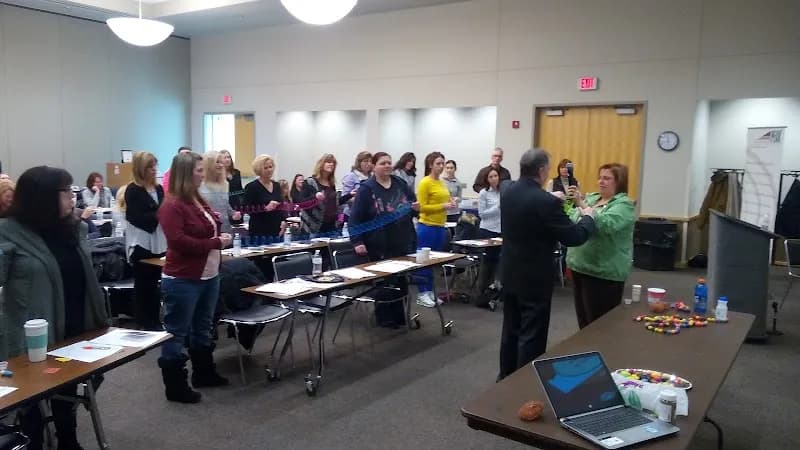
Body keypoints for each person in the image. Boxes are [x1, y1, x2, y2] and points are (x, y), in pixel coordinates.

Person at [0, 166, 109, 450]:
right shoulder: (8, 232)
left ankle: (68, 439)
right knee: (32, 397)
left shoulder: (72, 229)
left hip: (74, 325)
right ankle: (32, 441)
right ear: (44, 197)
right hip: (31, 332)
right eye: (67, 192)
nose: (73, 198)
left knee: (67, 389)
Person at [498, 149, 596, 381]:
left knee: (510, 330)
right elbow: (574, 237)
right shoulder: (545, 201)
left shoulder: (508, 192)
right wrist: (588, 217)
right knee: (532, 333)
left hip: (510, 271)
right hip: (534, 277)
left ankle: (505, 378)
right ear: (542, 171)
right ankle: (524, 383)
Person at [158, 152, 232, 403]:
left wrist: (218, 235)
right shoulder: (172, 205)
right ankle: (175, 385)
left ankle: (204, 372)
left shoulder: (196, 199)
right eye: (199, 170)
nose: (203, 173)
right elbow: (179, 242)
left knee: (203, 327)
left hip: (209, 275)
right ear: (185, 173)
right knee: (176, 332)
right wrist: (215, 242)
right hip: (183, 279)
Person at [350, 152, 419, 326]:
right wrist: (357, 241)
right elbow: (355, 217)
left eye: (389, 162)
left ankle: (400, 316)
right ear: (374, 166)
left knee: (401, 280)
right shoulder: (367, 188)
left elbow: (412, 204)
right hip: (378, 242)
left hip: (402, 239)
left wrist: (416, 208)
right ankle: (385, 318)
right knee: (385, 281)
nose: (387, 165)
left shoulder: (400, 183)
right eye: (383, 163)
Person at [566, 163, 635, 328]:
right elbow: (574, 219)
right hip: (580, 266)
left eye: (607, 178)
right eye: (600, 177)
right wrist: (580, 207)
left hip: (604, 273)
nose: (601, 181)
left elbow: (606, 225)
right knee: (584, 323)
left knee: (599, 326)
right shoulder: (592, 198)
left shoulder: (623, 205)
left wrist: (582, 206)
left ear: (619, 182)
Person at [125, 151, 167, 330]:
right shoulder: (133, 190)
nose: (154, 170)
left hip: (160, 241)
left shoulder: (158, 188)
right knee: (144, 285)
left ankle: (156, 319)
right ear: (141, 169)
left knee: (157, 284)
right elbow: (135, 217)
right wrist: (158, 213)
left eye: (155, 166)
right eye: (150, 167)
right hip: (141, 243)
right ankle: (144, 322)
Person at [415, 151, 456, 307]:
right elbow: (422, 207)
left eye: (442, 164)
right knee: (423, 261)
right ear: (430, 165)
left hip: (440, 226)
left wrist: (451, 203)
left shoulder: (441, 183)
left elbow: (444, 201)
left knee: (433, 262)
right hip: (427, 226)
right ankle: (422, 293)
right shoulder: (425, 182)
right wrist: (443, 205)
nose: (441, 167)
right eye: (438, 164)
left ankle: (430, 291)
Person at [298, 154, 351, 234]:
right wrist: (315, 197)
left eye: (333, 163)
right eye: (328, 162)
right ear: (321, 164)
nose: (331, 164)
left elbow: (335, 203)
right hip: (314, 226)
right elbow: (301, 203)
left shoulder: (331, 184)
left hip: (331, 225)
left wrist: (350, 195)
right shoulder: (310, 182)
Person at [199, 150, 242, 234]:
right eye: (217, 162)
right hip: (208, 231)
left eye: (222, 162)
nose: (221, 165)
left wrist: (233, 214)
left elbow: (225, 205)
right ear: (209, 164)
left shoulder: (225, 184)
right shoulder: (199, 185)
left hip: (226, 230)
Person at [476, 167, 502, 307]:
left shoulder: (502, 192)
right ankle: (482, 294)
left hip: (500, 230)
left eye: (496, 176)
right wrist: (497, 207)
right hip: (487, 230)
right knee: (487, 263)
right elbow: (482, 214)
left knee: (498, 262)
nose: (494, 179)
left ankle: (494, 292)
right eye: (491, 177)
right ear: (486, 179)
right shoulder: (484, 193)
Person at [243, 155, 284, 239]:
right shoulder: (252, 187)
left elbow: (281, 205)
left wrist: (284, 221)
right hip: (259, 230)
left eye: (270, 167)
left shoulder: (277, 185)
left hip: (276, 229)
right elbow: (245, 208)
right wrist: (265, 208)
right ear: (259, 170)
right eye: (265, 168)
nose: (269, 170)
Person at [341, 151, 372, 221]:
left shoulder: (371, 177)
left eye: (370, 161)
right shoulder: (351, 176)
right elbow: (344, 198)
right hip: (352, 215)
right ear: (359, 163)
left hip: (368, 214)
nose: (369, 164)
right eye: (366, 161)